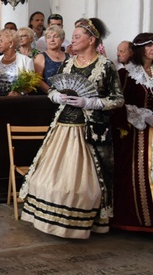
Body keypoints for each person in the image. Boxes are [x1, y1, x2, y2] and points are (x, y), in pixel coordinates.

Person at [20, 19, 123, 239]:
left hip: (90, 130)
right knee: (48, 178)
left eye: (77, 37)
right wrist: (55, 96)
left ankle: (83, 222)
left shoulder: (105, 66)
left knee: (85, 184)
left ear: (91, 40)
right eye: (73, 36)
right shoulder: (68, 64)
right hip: (63, 127)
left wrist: (92, 103)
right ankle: (52, 221)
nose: (72, 40)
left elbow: (117, 99)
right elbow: (53, 90)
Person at [113, 33, 153, 233]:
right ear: (139, 49)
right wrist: (142, 115)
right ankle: (136, 219)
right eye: (149, 46)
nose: (152, 49)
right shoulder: (127, 74)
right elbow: (119, 104)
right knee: (136, 173)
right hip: (137, 134)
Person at [0, 29, 34, 96]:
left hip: (18, 101)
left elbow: (31, 84)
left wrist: (20, 93)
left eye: (1, 41)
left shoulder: (26, 61)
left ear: (11, 43)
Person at [34, 25, 69, 93]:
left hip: (67, 95)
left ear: (62, 39)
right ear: (46, 40)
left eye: (55, 37)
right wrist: (52, 92)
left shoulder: (69, 57)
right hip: (47, 96)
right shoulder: (41, 57)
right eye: (49, 37)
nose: (52, 40)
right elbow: (37, 80)